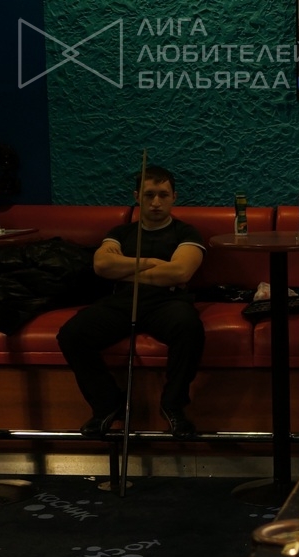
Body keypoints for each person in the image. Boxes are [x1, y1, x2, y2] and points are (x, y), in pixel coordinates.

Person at [57, 165, 205, 438]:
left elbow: (180, 272)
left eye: (163, 195)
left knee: (189, 327)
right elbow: (102, 266)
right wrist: (153, 263)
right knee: (72, 334)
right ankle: (108, 404)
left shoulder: (186, 233)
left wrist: (125, 268)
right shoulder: (121, 233)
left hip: (167, 302)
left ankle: (173, 405)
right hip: (123, 301)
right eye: (149, 195)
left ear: (174, 197)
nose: (156, 202)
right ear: (137, 197)